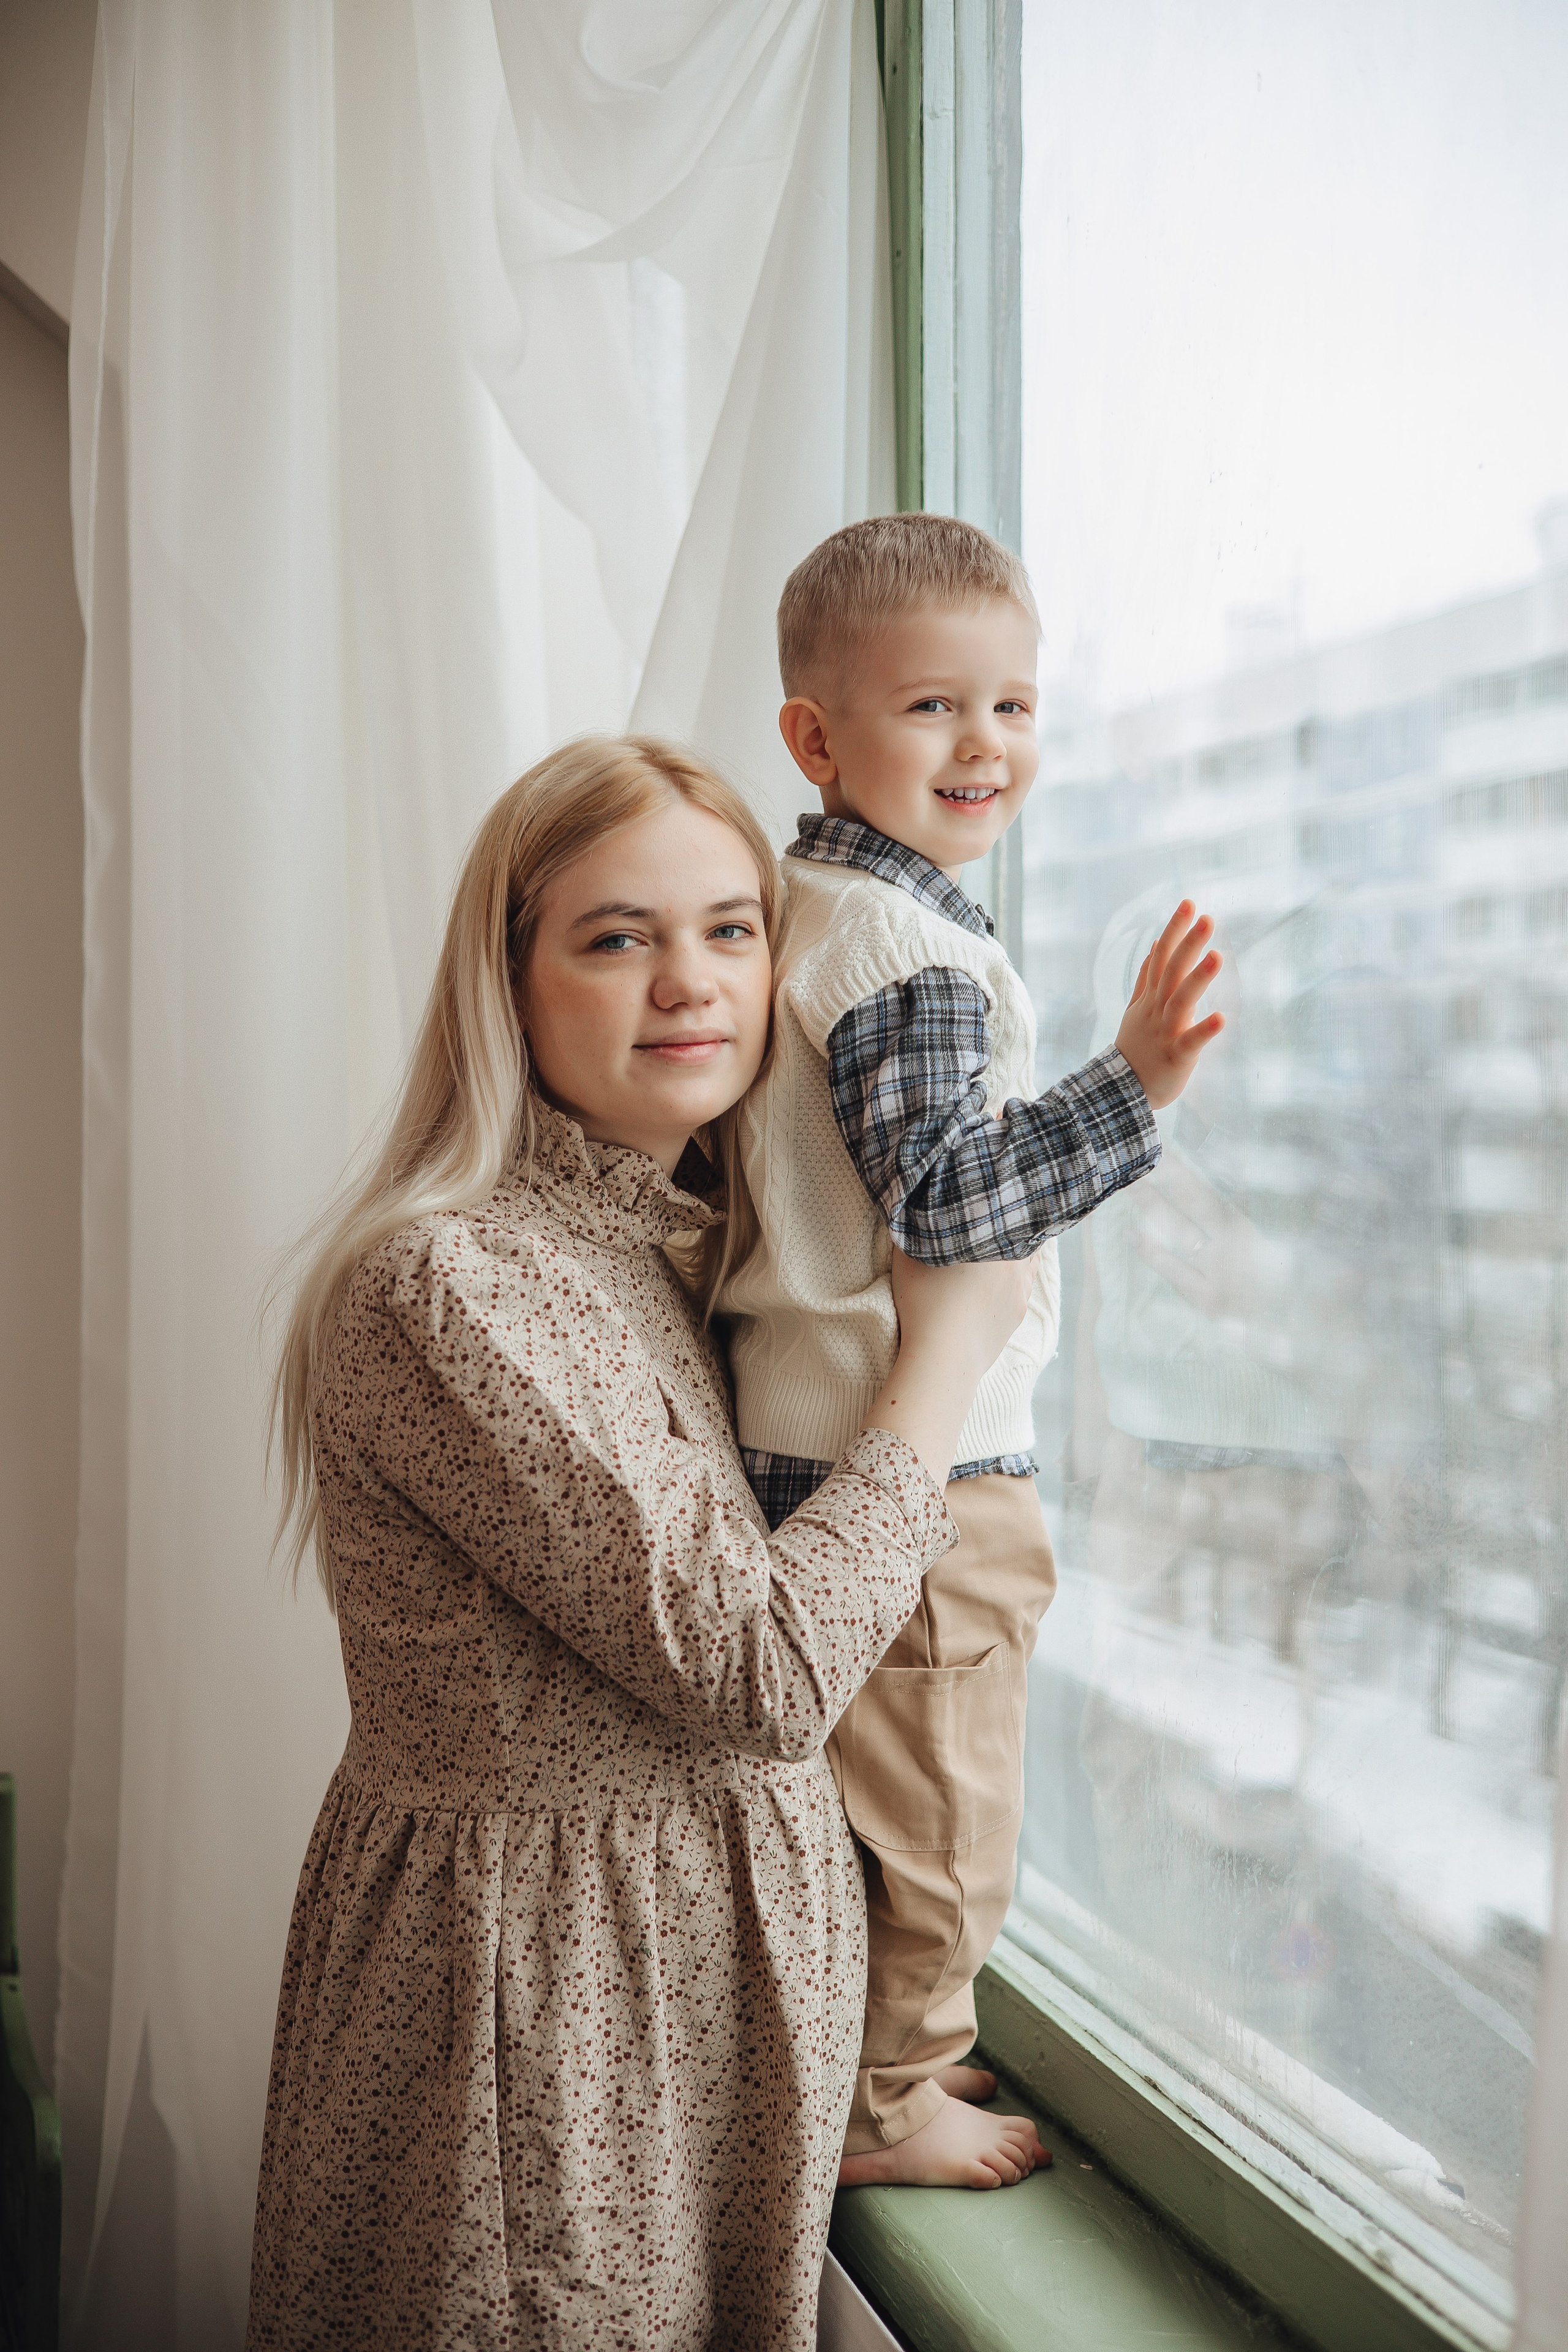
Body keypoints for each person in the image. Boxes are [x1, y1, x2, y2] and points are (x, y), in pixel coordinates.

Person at [246, 734, 1042, 2352]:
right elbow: (760, 1667)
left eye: (735, 929)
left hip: (690, 2030)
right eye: (619, 937)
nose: (692, 982)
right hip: (539, 2031)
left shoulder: (680, 1252)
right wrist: (949, 1352)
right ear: (511, 979)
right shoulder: (452, 1285)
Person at [718, 515, 1224, 2186]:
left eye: (1014, 706)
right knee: (943, 1814)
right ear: (817, 736)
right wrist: (1130, 1085)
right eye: (935, 707)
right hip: (919, 1468)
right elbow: (949, 1205)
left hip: (803, 1445)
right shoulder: (907, 954)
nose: (984, 743)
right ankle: (884, 2105)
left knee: (855, 1812)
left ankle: (867, 2064)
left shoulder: (799, 914)